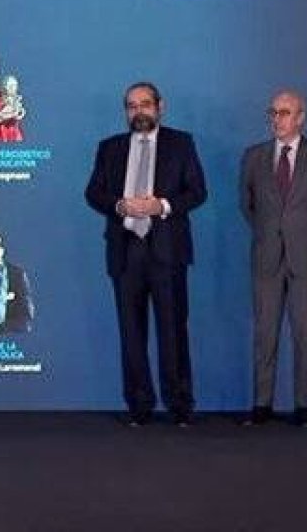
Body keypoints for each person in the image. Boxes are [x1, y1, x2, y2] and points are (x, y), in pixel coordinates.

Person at [85, 82, 207, 427]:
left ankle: (180, 406)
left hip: (167, 251)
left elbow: (198, 192)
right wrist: (119, 205)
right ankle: (139, 406)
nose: (138, 111)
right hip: (125, 252)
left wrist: (162, 205)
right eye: (131, 106)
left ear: (160, 107)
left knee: (173, 331)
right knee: (131, 333)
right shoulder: (109, 148)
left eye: (145, 104)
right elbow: (93, 192)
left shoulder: (181, 144)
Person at [240, 90, 307, 427]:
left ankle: (303, 407)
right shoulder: (253, 157)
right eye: (273, 112)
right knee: (264, 334)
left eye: (285, 113)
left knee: (305, 333)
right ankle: (261, 405)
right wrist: (272, 234)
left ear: (300, 117)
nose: (277, 119)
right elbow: (248, 206)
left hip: (306, 260)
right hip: (266, 258)